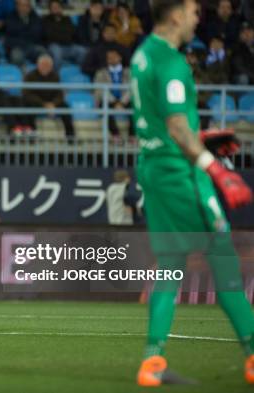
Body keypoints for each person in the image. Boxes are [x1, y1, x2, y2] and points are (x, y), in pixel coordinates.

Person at [130, 0, 254, 386]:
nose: (199, 17)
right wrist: (213, 166)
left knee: (169, 266)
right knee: (223, 259)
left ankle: (152, 362)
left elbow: (161, 125)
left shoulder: (142, 56)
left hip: (153, 168)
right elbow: (178, 127)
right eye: (194, 10)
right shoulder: (171, 62)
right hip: (180, 175)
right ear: (176, 14)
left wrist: (201, 140)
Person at [23, 54, 75, 138]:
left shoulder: (55, 76)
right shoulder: (30, 76)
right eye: (43, 65)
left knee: (65, 107)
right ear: (38, 65)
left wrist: (53, 104)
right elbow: (27, 94)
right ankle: (32, 136)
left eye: (48, 65)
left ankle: (71, 136)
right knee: (28, 107)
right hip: (36, 103)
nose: (45, 67)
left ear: (51, 66)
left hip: (52, 104)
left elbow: (59, 94)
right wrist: (43, 104)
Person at [94, 49, 134, 137]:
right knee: (103, 107)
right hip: (109, 100)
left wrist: (122, 102)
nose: (112, 59)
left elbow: (132, 88)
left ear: (120, 58)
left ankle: (132, 135)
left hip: (125, 100)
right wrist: (115, 102)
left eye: (114, 56)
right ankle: (115, 135)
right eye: (109, 57)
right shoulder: (100, 73)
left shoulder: (130, 72)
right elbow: (100, 90)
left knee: (136, 106)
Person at [43, 0, 86, 70]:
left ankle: (81, 71)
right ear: (50, 9)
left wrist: (61, 34)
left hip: (68, 46)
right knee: (57, 53)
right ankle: (55, 75)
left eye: (57, 7)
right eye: (53, 7)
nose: (56, 9)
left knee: (82, 51)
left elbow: (72, 32)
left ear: (61, 8)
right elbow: (49, 35)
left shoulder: (67, 19)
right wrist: (63, 34)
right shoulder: (46, 20)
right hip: (54, 46)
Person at [3, 0, 45, 66]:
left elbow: (37, 33)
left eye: (26, 5)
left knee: (43, 53)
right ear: (17, 6)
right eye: (21, 5)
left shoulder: (35, 17)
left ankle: (38, 75)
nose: (24, 8)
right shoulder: (10, 17)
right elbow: (10, 36)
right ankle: (22, 75)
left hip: (32, 46)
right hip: (16, 47)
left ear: (30, 7)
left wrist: (22, 31)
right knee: (16, 56)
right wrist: (27, 31)